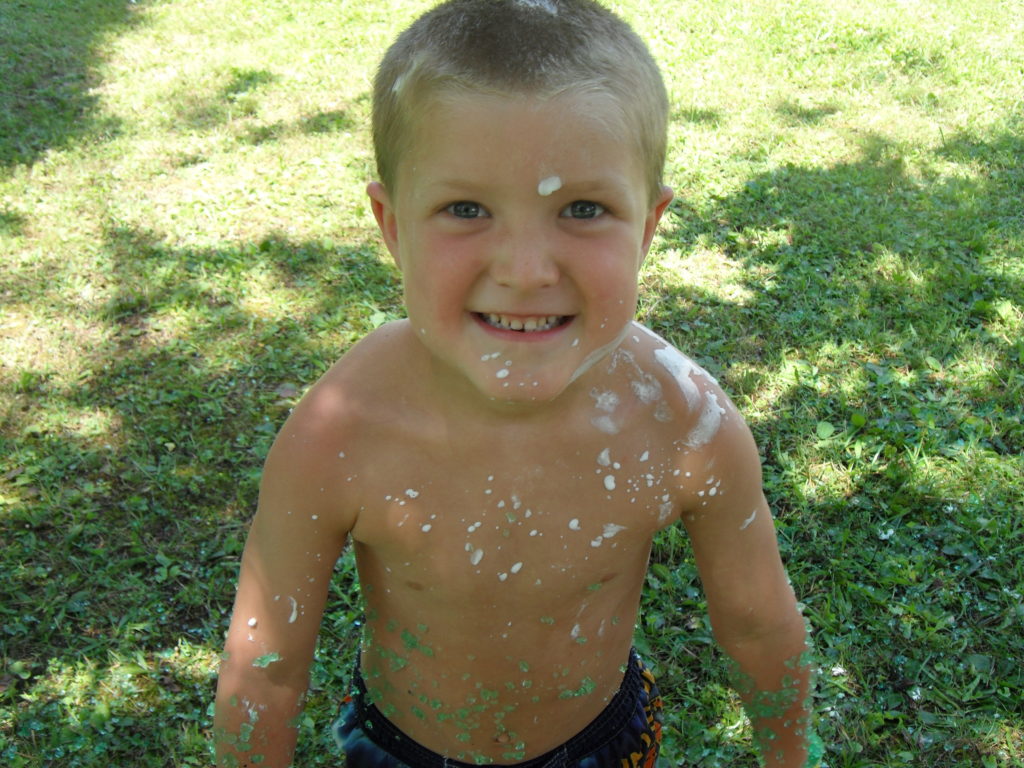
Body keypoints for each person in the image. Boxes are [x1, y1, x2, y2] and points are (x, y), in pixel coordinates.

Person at [213, 1, 822, 766]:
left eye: (584, 208)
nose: (526, 271)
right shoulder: (340, 433)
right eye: (465, 209)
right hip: (399, 749)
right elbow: (262, 676)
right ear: (392, 224)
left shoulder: (684, 422)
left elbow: (760, 625)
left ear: (647, 228)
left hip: (603, 742)